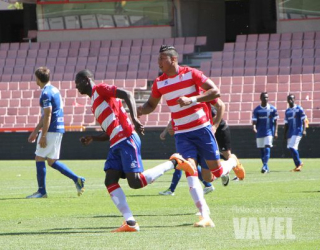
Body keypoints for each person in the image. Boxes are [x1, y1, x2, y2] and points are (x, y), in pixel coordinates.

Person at [75, 69, 213, 231]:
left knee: (135, 182)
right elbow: (109, 130)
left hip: (126, 138)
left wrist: (134, 118)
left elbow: (127, 94)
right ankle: (131, 222)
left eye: (77, 83)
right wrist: (94, 138)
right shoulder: (94, 102)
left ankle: (174, 163)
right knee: (110, 180)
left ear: (86, 79)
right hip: (115, 142)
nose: (76, 88)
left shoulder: (100, 89)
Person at [138, 45, 245, 191]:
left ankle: (232, 161)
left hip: (202, 129)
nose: (158, 62)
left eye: (162, 58)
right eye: (158, 59)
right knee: (191, 170)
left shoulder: (191, 74)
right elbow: (150, 105)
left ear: (173, 59)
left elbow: (216, 93)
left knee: (215, 173)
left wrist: (192, 100)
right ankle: (201, 210)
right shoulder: (159, 82)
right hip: (182, 133)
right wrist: (140, 111)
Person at [27, 67, 85, 198]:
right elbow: (47, 115)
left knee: (39, 157)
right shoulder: (54, 90)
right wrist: (35, 131)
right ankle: (77, 179)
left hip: (51, 129)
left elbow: (47, 115)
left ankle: (42, 192)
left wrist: (44, 135)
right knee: (52, 161)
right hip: (58, 128)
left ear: (38, 78)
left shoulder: (46, 93)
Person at [252, 92, 278, 174]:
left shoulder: (272, 109)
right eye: (264, 97)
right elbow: (254, 122)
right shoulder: (257, 110)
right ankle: (266, 167)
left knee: (267, 148)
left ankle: (265, 165)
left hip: (269, 132)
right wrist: (254, 127)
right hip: (260, 132)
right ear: (261, 98)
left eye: (267, 97)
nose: (266, 99)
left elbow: (276, 121)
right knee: (262, 151)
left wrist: (276, 131)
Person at [284, 94, 307, 172]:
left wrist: (304, 130)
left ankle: (299, 163)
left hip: (298, 131)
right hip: (290, 132)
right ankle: (297, 166)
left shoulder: (299, 109)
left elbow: (304, 120)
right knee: (292, 148)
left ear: (294, 100)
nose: (290, 100)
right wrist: (285, 134)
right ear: (287, 100)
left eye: (292, 99)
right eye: (289, 99)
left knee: (292, 147)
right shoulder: (287, 111)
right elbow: (286, 124)